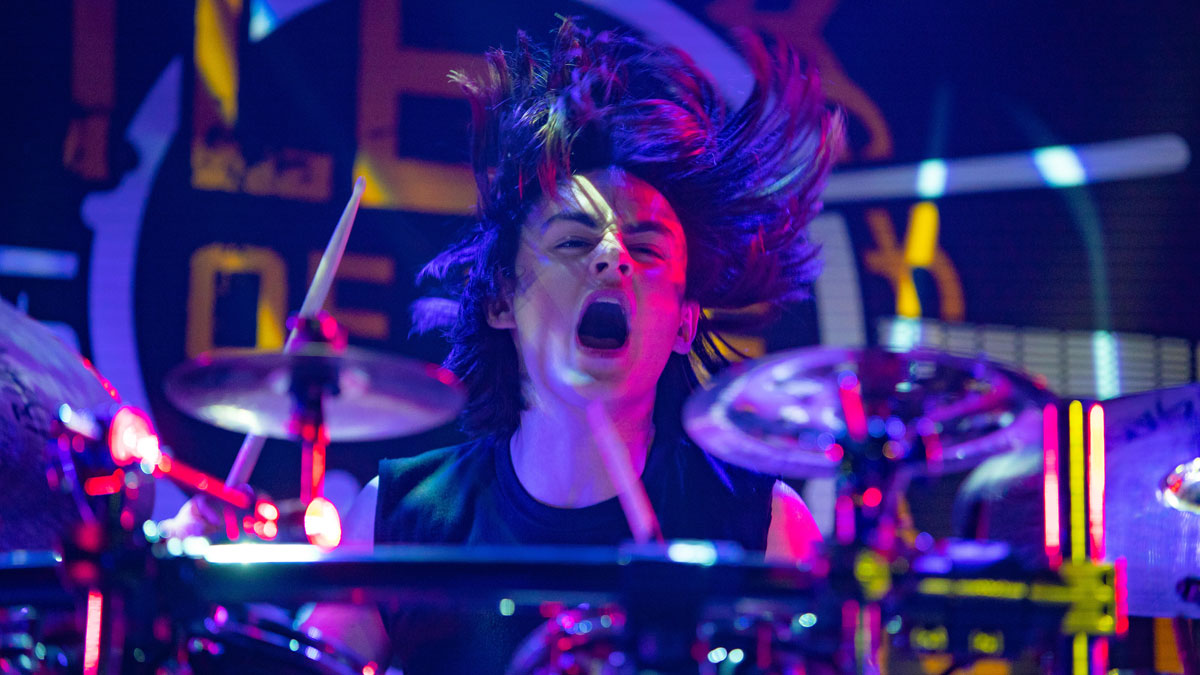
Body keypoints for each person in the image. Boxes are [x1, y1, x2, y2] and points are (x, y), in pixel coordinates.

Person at [313, 18, 843, 673]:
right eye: (573, 240)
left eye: (646, 249)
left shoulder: (762, 527)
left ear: (684, 322)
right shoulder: (403, 517)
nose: (613, 256)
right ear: (500, 300)